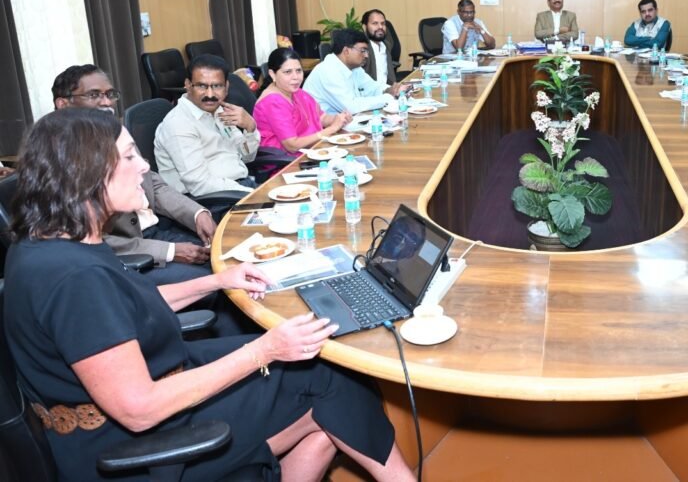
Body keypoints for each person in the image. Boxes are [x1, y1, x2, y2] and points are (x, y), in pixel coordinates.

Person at [4, 108, 414, 481]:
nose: (144, 165)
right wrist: (265, 351)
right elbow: (139, 408)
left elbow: (128, 311)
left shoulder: (51, 244)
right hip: (135, 446)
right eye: (129, 156)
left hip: (157, 381)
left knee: (330, 403)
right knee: (333, 380)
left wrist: (217, 281)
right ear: (87, 172)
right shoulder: (75, 279)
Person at [52, 64, 213, 283]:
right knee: (212, 279)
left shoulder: (116, 132)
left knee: (227, 252)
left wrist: (197, 213)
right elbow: (87, 239)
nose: (106, 102)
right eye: (93, 95)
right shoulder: (60, 158)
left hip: (158, 228)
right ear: (63, 104)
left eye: (110, 94)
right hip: (128, 256)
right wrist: (169, 251)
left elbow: (152, 183)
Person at [155, 54, 260, 198]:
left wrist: (250, 128)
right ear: (188, 85)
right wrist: (252, 193)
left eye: (217, 86)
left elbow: (247, 157)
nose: (210, 94)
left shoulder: (220, 110)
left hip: (239, 186)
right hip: (212, 200)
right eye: (201, 86)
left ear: (226, 87)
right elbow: (200, 185)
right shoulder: (178, 124)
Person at [254, 48, 352, 156]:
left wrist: (338, 119)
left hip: (313, 150)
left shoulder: (297, 92)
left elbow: (321, 118)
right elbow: (292, 145)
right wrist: (331, 129)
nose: (295, 77)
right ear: (272, 74)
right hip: (287, 160)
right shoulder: (273, 101)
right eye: (288, 72)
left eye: (298, 71)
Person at [305, 28, 410, 115]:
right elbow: (351, 107)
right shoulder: (328, 71)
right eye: (363, 51)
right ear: (346, 51)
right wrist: (389, 97)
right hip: (321, 129)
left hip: (344, 122)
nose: (366, 55)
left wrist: (390, 90)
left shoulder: (354, 68)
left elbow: (372, 87)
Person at [363, 9, 397, 86]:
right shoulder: (361, 49)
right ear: (365, 26)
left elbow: (390, 77)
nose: (380, 27)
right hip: (371, 91)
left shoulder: (386, 45)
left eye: (383, 23)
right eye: (375, 23)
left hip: (387, 90)